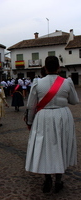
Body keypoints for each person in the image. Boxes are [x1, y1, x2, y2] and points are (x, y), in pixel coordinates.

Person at [25, 56, 79, 193]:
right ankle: (59, 181)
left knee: (45, 147)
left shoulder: (37, 83)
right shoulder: (67, 82)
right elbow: (74, 101)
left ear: (45, 68)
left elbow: (31, 106)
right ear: (59, 67)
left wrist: (30, 122)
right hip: (63, 116)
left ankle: (47, 179)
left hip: (43, 118)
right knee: (61, 146)